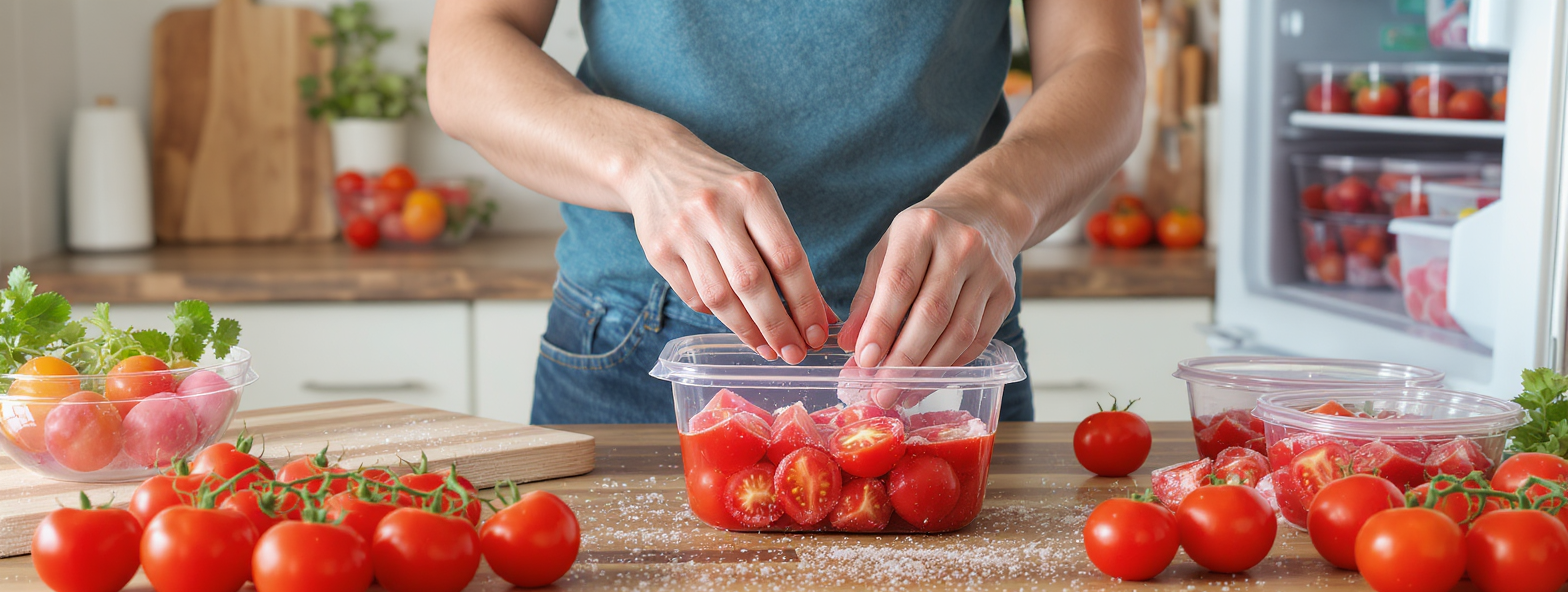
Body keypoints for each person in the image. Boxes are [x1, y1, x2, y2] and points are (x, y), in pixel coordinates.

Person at [427, 0, 1142, 424]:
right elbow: (467, 52)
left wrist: (995, 203)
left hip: (942, 347)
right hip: (634, 341)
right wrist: (644, 160)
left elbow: (1100, 58)